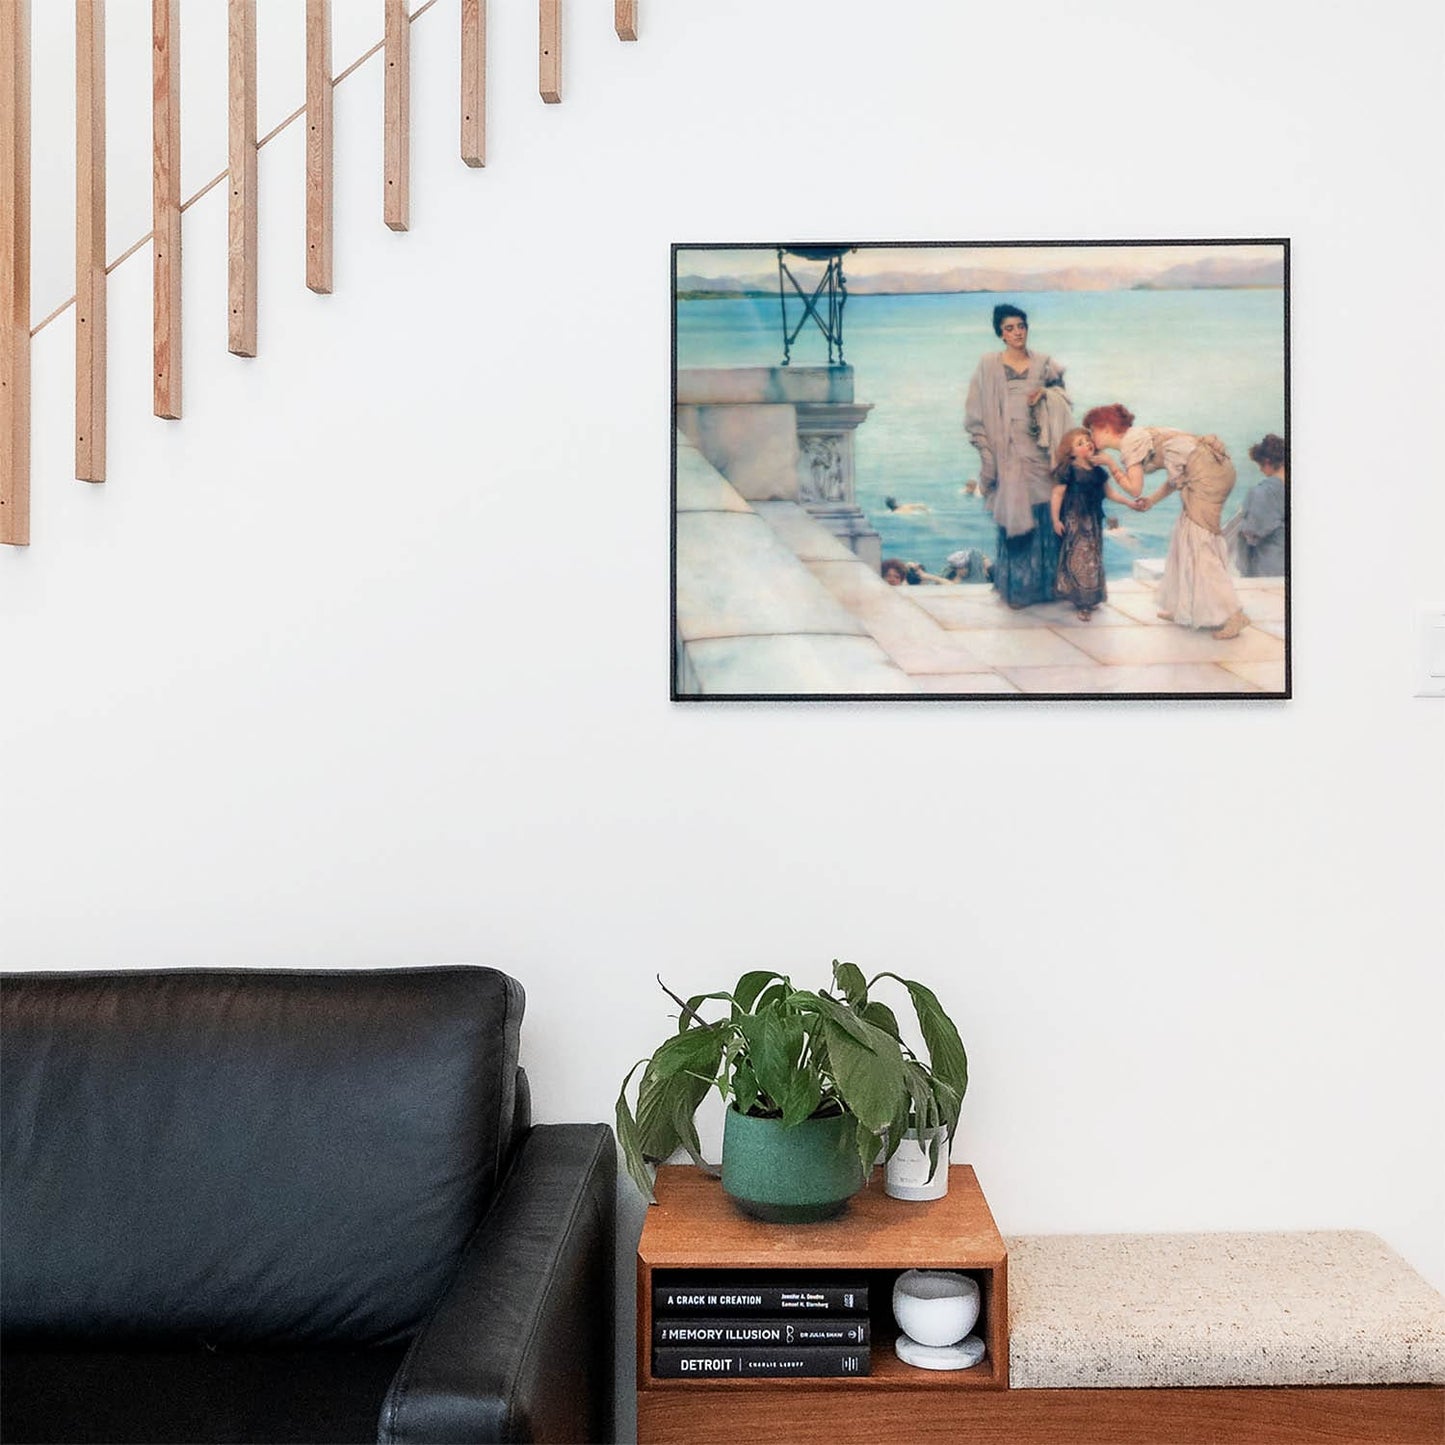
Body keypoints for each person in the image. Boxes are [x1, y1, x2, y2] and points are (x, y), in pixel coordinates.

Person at [1085, 403, 1249, 640]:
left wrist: (1110, 464)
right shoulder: (1139, 437)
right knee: (1185, 536)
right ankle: (1183, 607)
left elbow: (1134, 488)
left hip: (1209, 477)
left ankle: (1234, 615)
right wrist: (1151, 500)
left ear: (1107, 427)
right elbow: (1178, 474)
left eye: (1092, 430)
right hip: (1208, 471)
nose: (1091, 437)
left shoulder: (1131, 443)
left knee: (1200, 543)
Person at [964, 304, 1073, 608]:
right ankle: (1018, 590)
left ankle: (1047, 588)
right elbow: (975, 411)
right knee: (1015, 515)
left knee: (1045, 515)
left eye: (1021, 326)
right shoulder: (988, 365)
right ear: (1000, 333)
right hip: (1007, 452)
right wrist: (988, 452)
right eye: (1009, 328)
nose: (1017, 333)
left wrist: (1046, 395)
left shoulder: (1044, 364)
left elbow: (1065, 401)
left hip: (1041, 451)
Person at [1049, 429, 1141, 620]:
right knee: (1079, 557)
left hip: (1094, 521)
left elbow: (1111, 494)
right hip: (1074, 520)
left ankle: (1090, 598)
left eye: (1087, 440)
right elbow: (1057, 494)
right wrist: (1055, 519)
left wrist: (1129, 503)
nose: (1087, 444)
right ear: (1071, 452)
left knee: (1092, 559)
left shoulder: (1099, 472)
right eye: (1080, 443)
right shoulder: (1069, 469)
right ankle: (1082, 602)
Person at [1235, 434, 1287, 577]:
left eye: (1261, 465)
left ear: (1267, 461)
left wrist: (1245, 514)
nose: (1260, 470)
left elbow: (1252, 532)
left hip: (1270, 565)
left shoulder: (1262, 492)